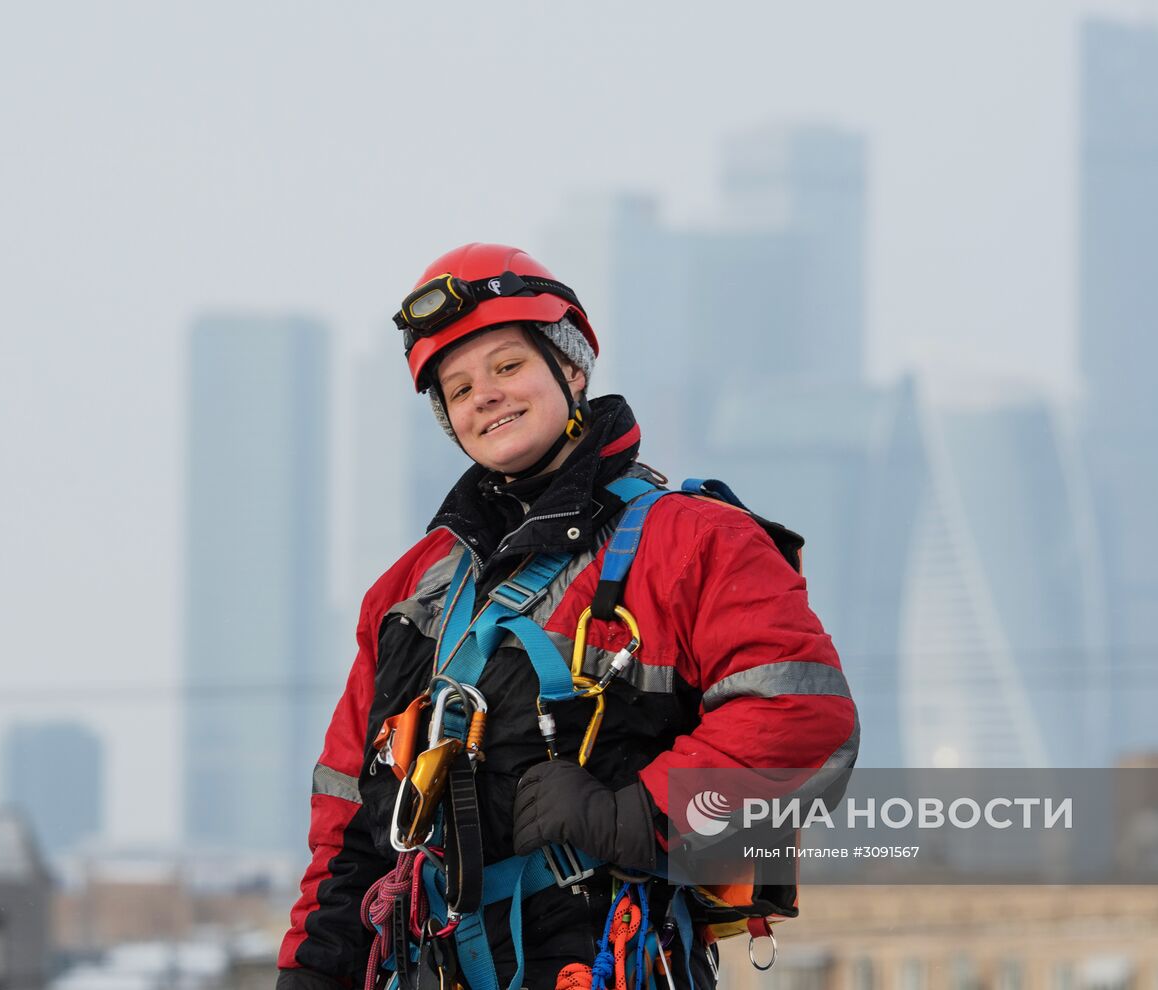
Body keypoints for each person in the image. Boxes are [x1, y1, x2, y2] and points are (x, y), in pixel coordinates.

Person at [278, 243, 858, 990]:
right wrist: (313, 972)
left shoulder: (695, 542)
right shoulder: (408, 592)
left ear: (572, 369)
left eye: (508, 366)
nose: (483, 394)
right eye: (457, 388)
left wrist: (633, 815)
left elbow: (805, 720)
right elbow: (348, 823)